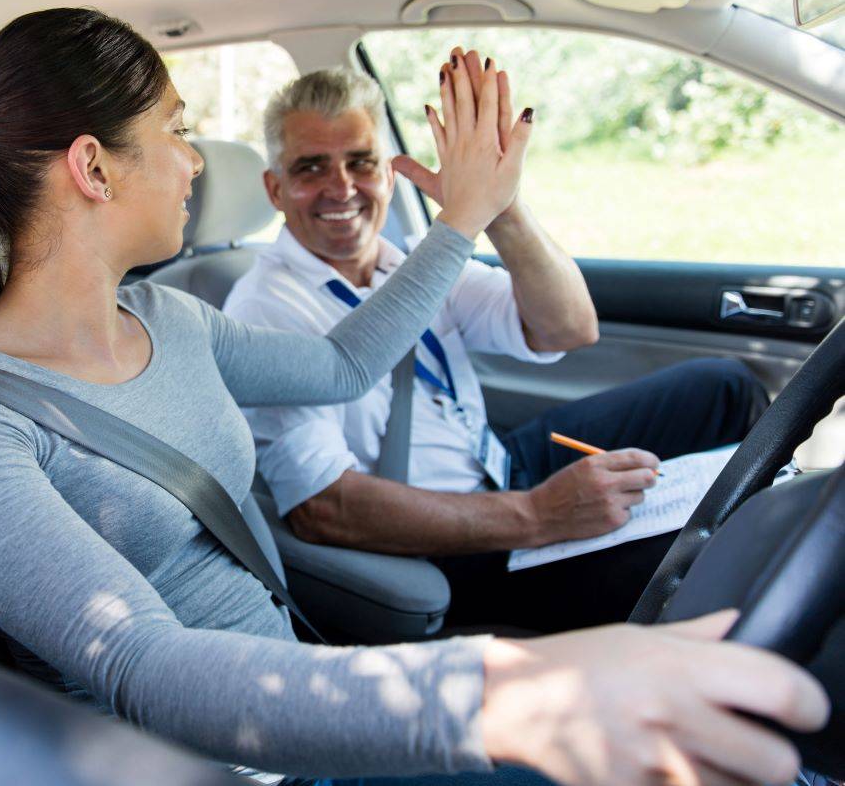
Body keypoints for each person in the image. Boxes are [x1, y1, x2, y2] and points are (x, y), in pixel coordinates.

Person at [0, 8, 825, 786]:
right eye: (173, 128)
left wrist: (464, 218)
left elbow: (342, 369)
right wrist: (513, 689)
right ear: (92, 168)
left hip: (313, 690)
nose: (195, 159)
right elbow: (144, 668)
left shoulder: (168, 317)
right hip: (226, 759)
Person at [222, 62, 770, 633]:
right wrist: (538, 516)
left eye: (360, 162)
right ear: (275, 188)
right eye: (311, 168)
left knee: (724, 391)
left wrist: (499, 207)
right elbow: (323, 508)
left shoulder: (407, 262)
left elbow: (568, 328)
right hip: (437, 542)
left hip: (496, 464)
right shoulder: (263, 311)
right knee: (698, 566)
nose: (342, 187)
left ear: (388, 174)